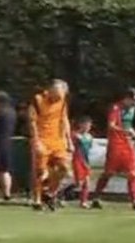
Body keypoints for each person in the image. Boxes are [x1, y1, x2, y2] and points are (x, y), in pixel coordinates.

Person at [28, 79, 72, 210]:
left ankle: (50, 192)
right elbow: (32, 121)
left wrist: (69, 140)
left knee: (65, 168)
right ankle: (37, 199)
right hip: (42, 139)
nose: (58, 98)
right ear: (50, 91)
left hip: (57, 140)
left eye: (61, 95)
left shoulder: (62, 101)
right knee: (40, 171)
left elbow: (64, 119)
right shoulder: (38, 100)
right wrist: (36, 140)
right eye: (56, 95)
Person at [71, 116, 97, 209]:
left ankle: (84, 201)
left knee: (87, 182)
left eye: (89, 125)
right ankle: (61, 193)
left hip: (85, 160)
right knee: (79, 183)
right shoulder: (75, 135)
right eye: (86, 125)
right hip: (77, 160)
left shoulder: (89, 137)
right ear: (81, 125)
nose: (88, 127)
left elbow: (89, 148)